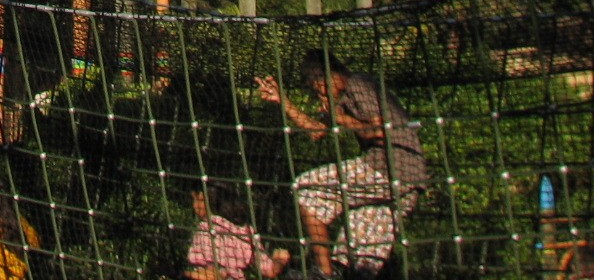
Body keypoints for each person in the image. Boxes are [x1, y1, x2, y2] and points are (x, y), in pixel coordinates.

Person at [256, 50, 427, 278]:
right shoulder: (342, 99)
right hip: (404, 185)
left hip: (390, 167)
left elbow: (379, 131)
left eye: (318, 86)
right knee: (357, 261)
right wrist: (283, 101)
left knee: (307, 188)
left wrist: (341, 119)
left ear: (326, 76)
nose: (320, 92)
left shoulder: (359, 84)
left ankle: (324, 274)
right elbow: (317, 131)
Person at [183, 185, 289, 280]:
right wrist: (279, 260)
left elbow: (204, 269)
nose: (195, 205)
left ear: (214, 202)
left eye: (200, 200)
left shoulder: (205, 228)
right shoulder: (246, 231)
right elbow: (269, 270)